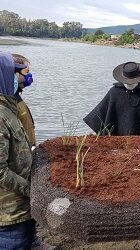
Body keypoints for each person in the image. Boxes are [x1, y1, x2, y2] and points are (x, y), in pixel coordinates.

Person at [0, 51, 35, 249]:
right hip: (8, 215)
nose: (16, 79)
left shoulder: (8, 108)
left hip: (20, 210)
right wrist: (30, 189)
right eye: (10, 74)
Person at [84, 61, 140, 136]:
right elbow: (99, 117)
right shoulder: (114, 93)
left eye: (132, 82)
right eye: (126, 82)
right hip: (116, 143)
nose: (129, 84)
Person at [12, 54, 36, 147]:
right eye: (26, 72)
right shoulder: (11, 102)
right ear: (15, 74)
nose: (29, 75)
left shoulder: (17, 98)